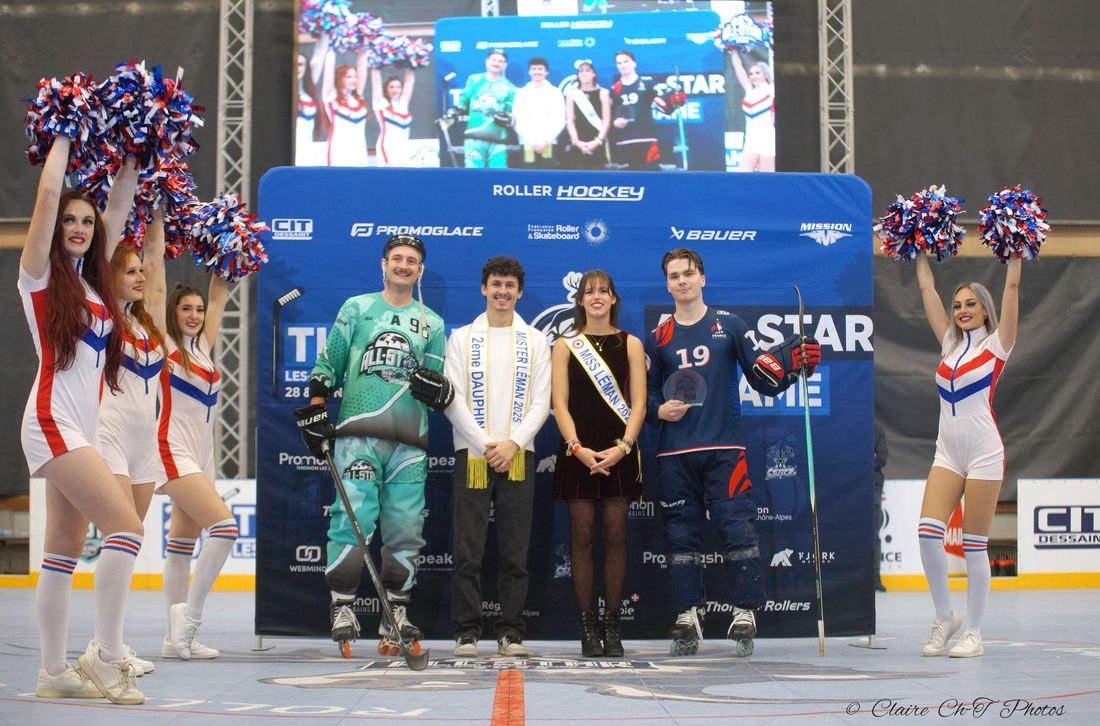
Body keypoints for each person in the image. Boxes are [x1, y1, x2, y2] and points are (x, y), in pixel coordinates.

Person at [644, 248, 820, 654]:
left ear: (702, 278)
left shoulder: (731, 325)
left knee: (737, 529)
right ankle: (687, 615)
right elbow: (647, 396)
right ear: (667, 284)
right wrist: (658, 410)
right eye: (674, 276)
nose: (682, 281)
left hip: (724, 449)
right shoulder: (658, 337)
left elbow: (764, 380)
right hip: (674, 454)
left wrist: (794, 368)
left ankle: (744, 612)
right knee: (681, 535)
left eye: (688, 273)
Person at [20, 136, 145, 703]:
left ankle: (52, 671)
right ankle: (107, 654)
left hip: (78, 427)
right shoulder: (39, 277)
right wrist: (65, 132)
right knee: (127, 529)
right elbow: (48, 193)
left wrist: (137, 151)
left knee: (61, 552)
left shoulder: (95, 283)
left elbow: (118, 205)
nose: (78, 228)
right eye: (70, 220)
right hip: (52, 421)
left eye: (86, 223)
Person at [294, 234, 453, 657]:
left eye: (412, 261)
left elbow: (436, 385)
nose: (403, 265)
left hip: (410, 443)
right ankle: (342, 606)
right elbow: (328, 363)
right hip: (357, 436)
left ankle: (395, 612)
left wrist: (442, 392)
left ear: (420, 270)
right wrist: (316, 409)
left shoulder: (433, 324)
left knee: (406, 528)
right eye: (397, 258)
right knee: (352, 520)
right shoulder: (356, 308)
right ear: (383, 264)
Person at [443, 256, 551, 657]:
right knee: (468, 552)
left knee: (515, 553)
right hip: (473, 455)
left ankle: (511, 633)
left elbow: (541, 402)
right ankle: (466, 633)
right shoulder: (461, 338)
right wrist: (487, 444)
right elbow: (452, 399)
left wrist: (513, 444)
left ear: (519, 292)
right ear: (483, 288)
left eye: (509, 285)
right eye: (496, 284)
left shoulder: (536, 341)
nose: (502, 291)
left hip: (519, 455)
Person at [914, 254, 1021, 658]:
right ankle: (945, 617)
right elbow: (927, 289)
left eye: (970, 304)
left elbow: (1012, 287)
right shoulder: (949, 342)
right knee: (927, 533)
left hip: (983, 454)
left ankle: (974, 632)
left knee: (975, 546)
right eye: (957, 305)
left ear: (985, 309)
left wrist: (1015, 254)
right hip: (947, 453)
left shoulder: (998, 345)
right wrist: (917, 248)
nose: (961, 310)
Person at [552, 270, 646, 658]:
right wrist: (576, 447)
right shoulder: (565, 345)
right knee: (581, 537)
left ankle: (612, 624)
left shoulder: (631, 344)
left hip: (618, 450)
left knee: (616, 535)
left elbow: (639, 404)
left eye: (603, 291)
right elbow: (559, 404)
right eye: (589, 291)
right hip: (579, 451)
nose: (596, 296)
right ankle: (587, 626)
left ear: (613, 298)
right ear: (579, 300)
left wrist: (623, 447)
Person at [94, 213, 170, 676]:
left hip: (145, 446)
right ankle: (107, 650)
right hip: (109, 435)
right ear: (109, 277)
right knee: (123, 535)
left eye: (141, 269)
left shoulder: (147, 325)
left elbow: (158, 266)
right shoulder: (102, 320)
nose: (141, 276)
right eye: (130, 271)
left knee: (128, 543)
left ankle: (109, 642)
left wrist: (158, 211)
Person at [158, 272, 237, 661]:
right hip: (172, 448)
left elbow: (219, 297)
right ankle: (189, 619)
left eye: (199, 309)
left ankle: (173, 640)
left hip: (202, 455)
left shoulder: (202, 346)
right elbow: (156, 287)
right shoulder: (164, 345)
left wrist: (228, 258)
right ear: (171, 313)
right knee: (225, 529)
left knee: (181, 544)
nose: (194, 315)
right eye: (186, 309)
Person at [608, 50, 685, 171]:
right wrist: (615, 122)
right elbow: (610, 116)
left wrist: (675, 102)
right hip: (624, 141)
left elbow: (664, 108)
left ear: (634, 63)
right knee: (629, 180)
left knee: (651, 177)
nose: (623, 65)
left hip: (647, 140)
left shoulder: (647, 84)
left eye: (626, 61)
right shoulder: (614, 89)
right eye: (619, 63)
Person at [447, 48, 516, 168]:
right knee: (473, 174)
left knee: (499, 175)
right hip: (474, 138)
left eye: (500, 61)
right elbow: (462, 102)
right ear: (486, 61)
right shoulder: (474, 80)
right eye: (493, 60)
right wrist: (454, 113)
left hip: (498, 140)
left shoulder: (510, 88)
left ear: (504, 65)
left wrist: (507, 119)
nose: (496, 63)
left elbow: (511, 115)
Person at [316, 34, 370, 167]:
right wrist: (333, 44)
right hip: (339, 151)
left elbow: (362, 67)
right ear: (339, 78)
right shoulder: (330, 96)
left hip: (360, 152)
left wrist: (362, 50)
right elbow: (329, 68)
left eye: (355, 77)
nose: (354, 80)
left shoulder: (358, 96)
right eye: (349, 77)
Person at [512, 57, 565, 169]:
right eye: (534, 69)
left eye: (540, 69)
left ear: (546, 72)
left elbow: (559, 119)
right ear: (529, 72)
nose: (537, 72)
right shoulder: (521, 93)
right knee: (528, 176)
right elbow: (517, 120)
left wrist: (545, 140)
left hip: (549, 143)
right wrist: (532, 141)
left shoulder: (555, 93)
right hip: (527, 143)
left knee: (548, 176)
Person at [730, 48, 775, 172]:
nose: (753, 76)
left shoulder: (772, 89)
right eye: (751, 74)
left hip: (768, 141)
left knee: (767, 180)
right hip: (751, 142)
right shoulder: (749, 90)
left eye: (757, 73)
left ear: (765, 74)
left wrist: (771, 48)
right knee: (742, 176)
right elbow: (738, 67)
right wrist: (732, 49)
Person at [564, 61, 611, 170]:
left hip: (597, 142)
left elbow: (606, 120)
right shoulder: (572, 94)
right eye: (581, 71)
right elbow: (570, 121)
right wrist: (576, 141)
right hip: (578, 143)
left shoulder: (603, 93)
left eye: (587, 71)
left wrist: (598, 141)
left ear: (593, 74)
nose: (584, 73)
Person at [371, 66, 415, 167]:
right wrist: (375, 65)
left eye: (398, 87)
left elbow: (409, 81)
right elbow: (376, 82)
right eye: (391, 87)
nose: (395, 90)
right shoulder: (381, 103)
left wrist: (412, 62)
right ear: (386, 89)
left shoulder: (403, 103)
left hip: (403, 149)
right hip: (387, 149)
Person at [296, 52, 330, 166]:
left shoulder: (308, 93)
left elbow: (320, 53)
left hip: (307, 152)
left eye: (300, 64)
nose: (297, 68)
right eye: (294, 64)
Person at [873, 422, 888, 592]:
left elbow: (882, 459)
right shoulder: (850, 427)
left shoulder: (877, 429)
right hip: (851, 484)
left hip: (873, 485)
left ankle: (875, 577)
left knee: (873, 534)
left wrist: (860, 464)